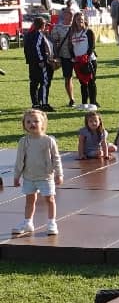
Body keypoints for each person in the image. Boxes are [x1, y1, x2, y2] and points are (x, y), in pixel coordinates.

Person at [11, 109, 62, 237]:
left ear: (43, 123)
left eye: (36, 121)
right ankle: (28, 222)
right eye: (28, 122)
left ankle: (51, 222)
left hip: (46, 177)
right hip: (29, 177)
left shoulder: (48, 141)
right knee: (29, 200)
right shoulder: (23, 141)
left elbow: (56, 158)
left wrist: (59, 174)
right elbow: (19, 160)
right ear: (24, 125)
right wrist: (16, 176)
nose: (32, 124)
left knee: (49, 199)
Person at [64, 12, 98, 109]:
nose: (80, 21)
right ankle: (84, 103)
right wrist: (73, 57)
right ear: (75, 20)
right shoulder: (72, 33)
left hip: (89, 61)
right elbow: (70, 46)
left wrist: (86, 56)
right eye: (78, 19)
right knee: (82, 83)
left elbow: (92, 46)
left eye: (82, 19)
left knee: (91, 82)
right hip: (78, 62)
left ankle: (93, 103)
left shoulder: (88, 32)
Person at [23, 17, 55, 112]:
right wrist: (41, 60)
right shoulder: (39, 34)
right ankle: (44, 104)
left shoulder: (28, 35)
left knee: (33, 83)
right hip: (39, 63)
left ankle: (35, 103)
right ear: (42, 25)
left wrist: (29, 60)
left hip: (31, 63)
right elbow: (37, 47)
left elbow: (26, 49)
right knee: (44, 83)